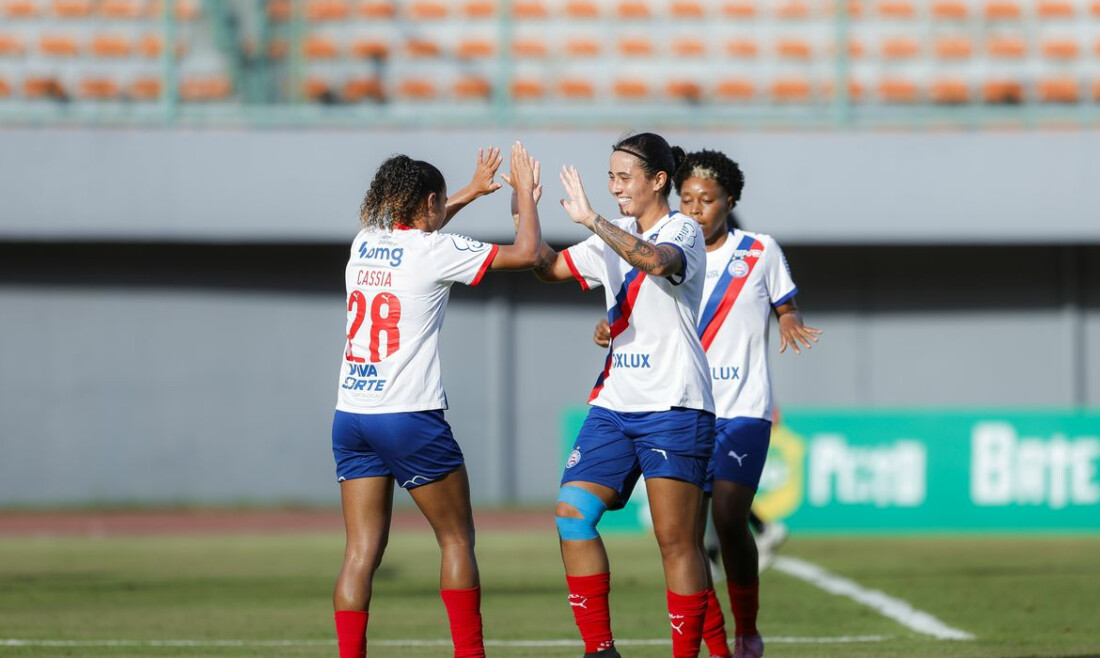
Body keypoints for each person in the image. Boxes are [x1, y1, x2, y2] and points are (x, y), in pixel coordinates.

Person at [594, 150, 820, 658]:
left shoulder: (759, 250)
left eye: (708, 200)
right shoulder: (667, 247)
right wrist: (610, 326)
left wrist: (788, 320)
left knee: (730, 516)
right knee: (686, 539)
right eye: (689, 198)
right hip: (686, 407)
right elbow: (635, 313)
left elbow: (786, 303)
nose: (696, 209)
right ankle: (713, 644)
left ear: (729, 201)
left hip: (743, 407)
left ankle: (747, 629)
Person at [331, 143, 543, 658]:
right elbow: (528, 254)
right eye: (442, 202)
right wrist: (526, 197)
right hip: (408, 417)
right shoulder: (434, 251)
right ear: (428, 202)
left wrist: (469, 190)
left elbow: (421, 225)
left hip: (352, 416)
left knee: (361, 552)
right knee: (455, 540)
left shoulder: (364, 243)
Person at [526, 132, 716, 658]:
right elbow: (550, 268)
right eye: (609, 177)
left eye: (623, 176)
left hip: (674, 404)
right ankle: (600, 651)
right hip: (614, 404)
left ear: (658, 180)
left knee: (676, 541)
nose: (613, 187)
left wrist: (592, 222)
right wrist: (527, 207)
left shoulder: (684, 228)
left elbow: (656, 262)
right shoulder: (610, 233)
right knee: (571, 513)